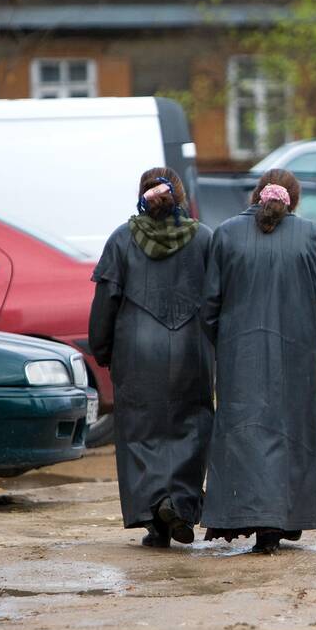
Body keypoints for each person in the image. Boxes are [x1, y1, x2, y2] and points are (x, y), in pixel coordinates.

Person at [201, 169, 316, 554]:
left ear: (255, 195)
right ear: (294, 199)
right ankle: (282, 520)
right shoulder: (310, 235)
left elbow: (209, 305)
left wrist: (226, 343)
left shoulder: (225, 233)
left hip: (239, 354)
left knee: (245, 433)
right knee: (293, 432)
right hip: (298, 354)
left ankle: (251, 515)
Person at [89, 168, 214, 548]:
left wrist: (103, 349)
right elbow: (218, 299)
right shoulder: (204, 238)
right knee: (190, 427)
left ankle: (155, 516)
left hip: (137, 351)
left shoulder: (121, 239)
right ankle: (178, 502)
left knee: (141, 434)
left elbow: (105, 303)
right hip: (192, 349)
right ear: (179, 195)